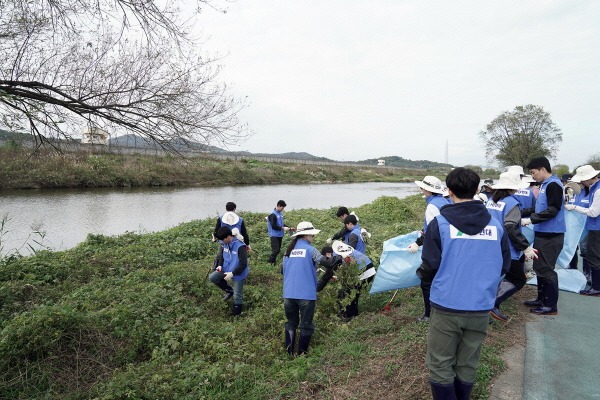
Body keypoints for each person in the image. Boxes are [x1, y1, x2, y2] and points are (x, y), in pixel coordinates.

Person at [417, 167, 510, 399]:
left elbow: (429, 266)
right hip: (480, 307)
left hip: (446, 305)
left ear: (449, 191)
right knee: (467, 363)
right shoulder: (496, 226)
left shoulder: (439, 224)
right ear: (477, 190)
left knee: (440, 363)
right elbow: (504, 266)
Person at [282, 221, 341, 356]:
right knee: (306, 324)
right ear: (307, 235)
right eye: (312, 235)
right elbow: (326, 261)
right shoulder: (310, 250)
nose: (313, 238)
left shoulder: (288, 251)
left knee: (291, 322)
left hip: (288, 293)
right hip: (306, 294)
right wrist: (340, 257)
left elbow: (282, 270)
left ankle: (289, 353)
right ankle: (302, 353)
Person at [486, 172, 539, 322]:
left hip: (492, 244)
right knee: (518, 278)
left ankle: (488, 305)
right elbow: (510, 227)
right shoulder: (511, 203)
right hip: (507, 247)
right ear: (514, 188)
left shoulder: (492, 200)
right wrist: (525, 247)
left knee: (501, 275)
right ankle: (492, 303)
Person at [521, 157, 566, 315]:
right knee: (539, 267)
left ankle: (550, 305)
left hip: (551, 235)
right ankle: (542, 298)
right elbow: (538, 207)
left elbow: (553, 210)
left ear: (542, 169)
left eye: (533, 172)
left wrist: (529, 219)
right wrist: (521, 212)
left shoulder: (553, 185)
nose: (532, 176)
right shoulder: (545, 185)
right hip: (542, 233)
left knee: (547, 269)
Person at [407, 175, 451, 322]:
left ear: (427, 189)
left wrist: (417, 243)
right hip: (448, 246)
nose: (421, 189)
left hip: (436, 249)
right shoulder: (445, 201)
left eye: (422, 187)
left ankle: (429, 314)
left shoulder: (432, 206)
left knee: (426, 282)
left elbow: (433, 231)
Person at [317, 241, 376, 320]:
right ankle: (353, 315)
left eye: (326, 258)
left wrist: (319, 286)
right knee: (353, 292)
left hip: (364, 271)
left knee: (349, 292)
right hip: (369, 268)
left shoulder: (335, 255)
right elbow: (344, 269)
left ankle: (348, 316)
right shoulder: (340, 251)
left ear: (327, 254)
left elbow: (330, 272)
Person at [565, 165, 600, 296]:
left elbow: (593, 212)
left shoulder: (598, 191)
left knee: (594, 257)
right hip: (595, 227)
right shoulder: (594, 189)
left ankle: (597, 288)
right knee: (593, 255)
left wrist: (574, 207)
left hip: (597, 227)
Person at [208, 226, 249, 316]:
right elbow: (222, 256)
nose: (221, 242)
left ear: (228, 237)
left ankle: (236, 315)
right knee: (212, 277)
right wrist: (220, 266)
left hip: (238, 273)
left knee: (237, 296)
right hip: (226, 269)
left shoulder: (240, 246)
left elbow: (243, 264)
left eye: (222, 240)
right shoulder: (224, 243)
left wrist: (232, 273)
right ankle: (229, 291)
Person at [561, 174, 579, 269]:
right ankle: (567, 266)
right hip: (564, 223)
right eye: (564, 182)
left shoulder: (577, 193)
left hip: (574, 224)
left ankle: (573, 268)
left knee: (573, 247)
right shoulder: (562, 192)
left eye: (567, 182)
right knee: (565, 246)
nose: (566, 184)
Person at [266, 200, 291, 265]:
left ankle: (273, 262)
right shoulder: (272, 215)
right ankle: (269, 262)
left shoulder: (280, 214)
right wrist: (282, 228)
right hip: (274, 235)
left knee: (278, 250)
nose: (283, 209)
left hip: (280, 235)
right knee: (275, 250)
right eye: (282, 208)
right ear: (279, 206)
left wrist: (289, 228)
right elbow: (273, 226)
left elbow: (281, 224)